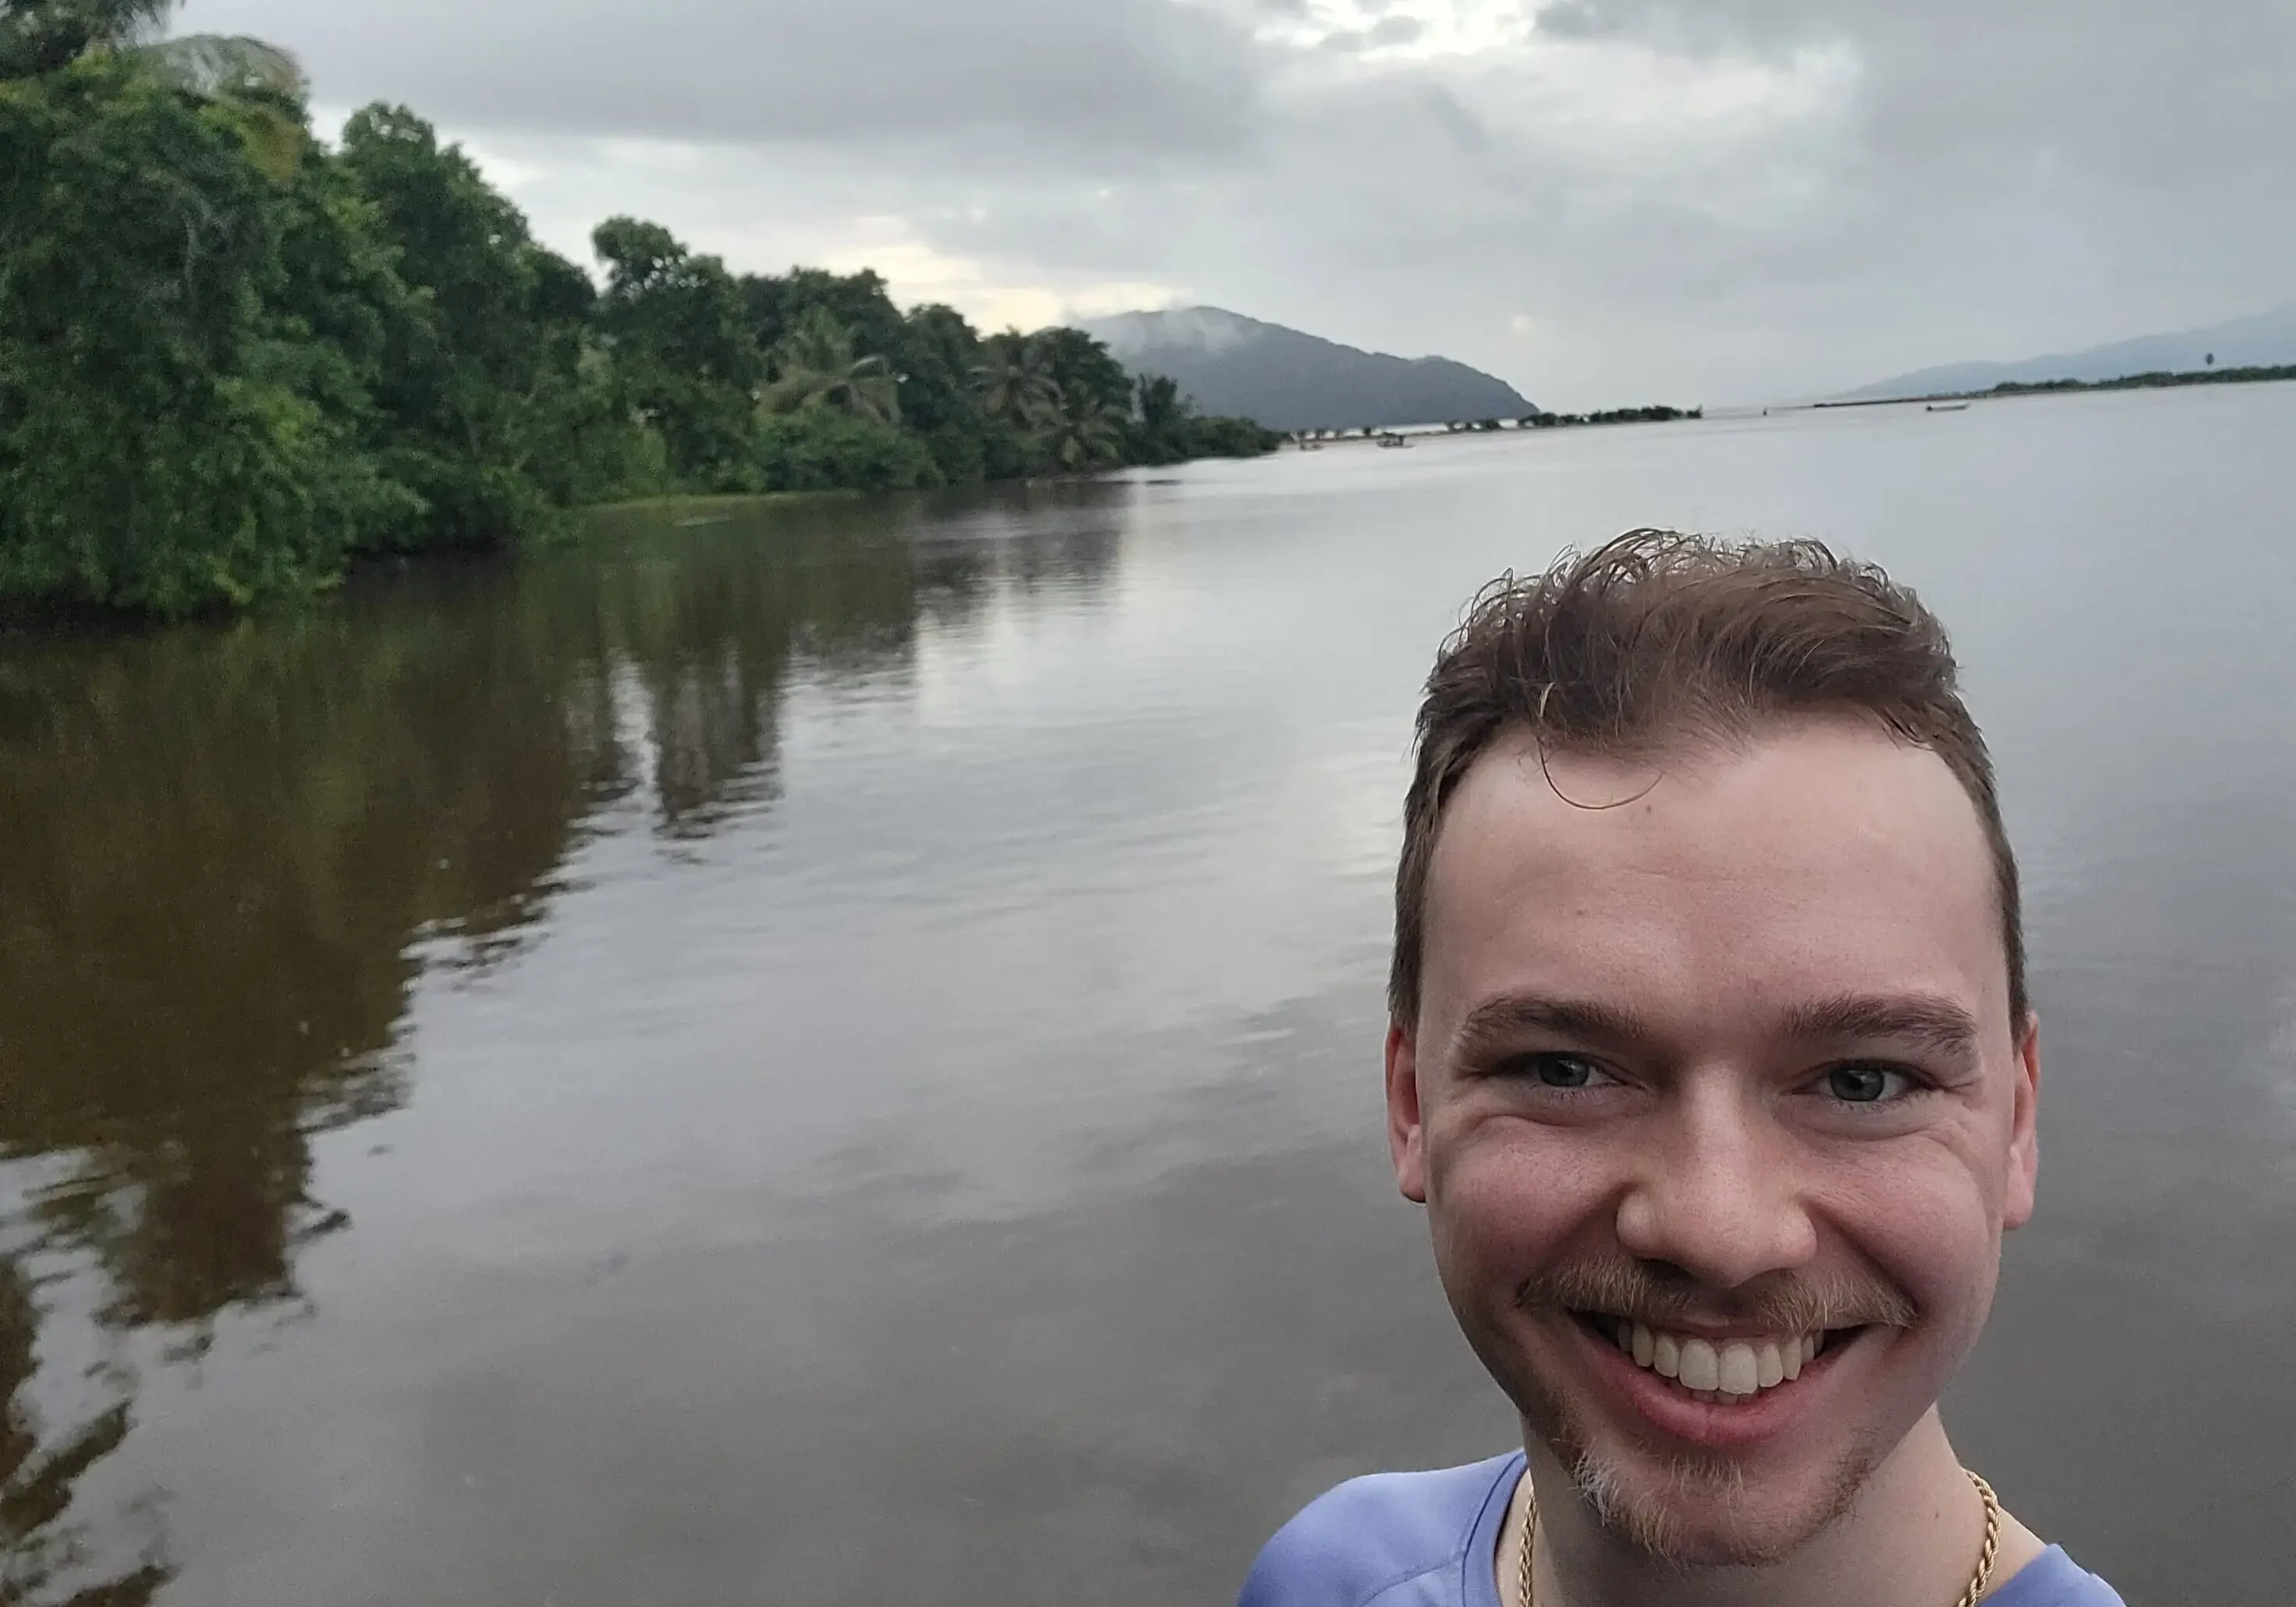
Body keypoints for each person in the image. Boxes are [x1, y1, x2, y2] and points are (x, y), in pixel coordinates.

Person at [1238, 532, 2124, 1607]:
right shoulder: (1328, 1580)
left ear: (2019, 1123)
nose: (1721, 1230)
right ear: (1411, 1102)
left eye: (1863, 1082)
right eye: (1565, 1070)